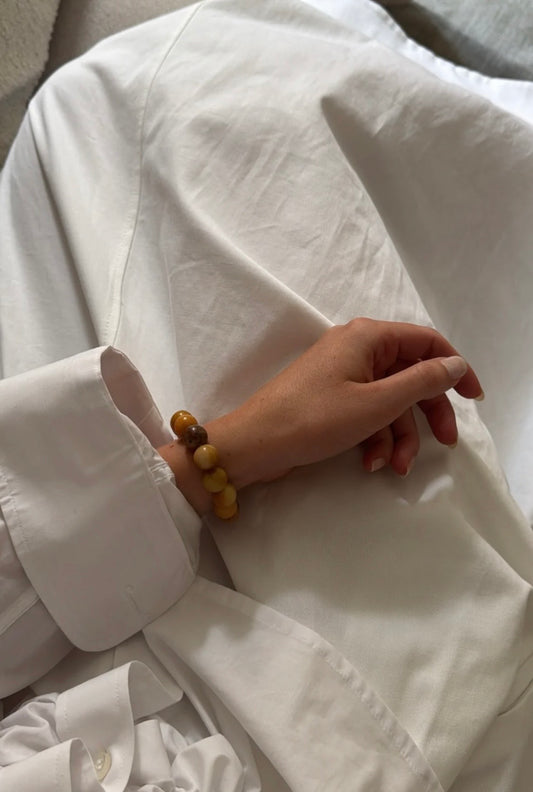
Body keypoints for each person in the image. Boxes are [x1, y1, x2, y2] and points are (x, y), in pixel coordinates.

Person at [1, 1, 533, 790]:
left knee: (113, 108)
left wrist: (221, 453)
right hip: (368, 716)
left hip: (102, 613)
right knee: (165, 105)